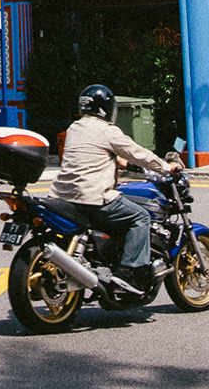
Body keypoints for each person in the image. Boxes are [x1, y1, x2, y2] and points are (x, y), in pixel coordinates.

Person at [50, 83, 180, 294]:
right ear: (105, 109)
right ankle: (129, 272)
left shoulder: (74, 128)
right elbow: (138, 153)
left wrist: (117, 161)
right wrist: (166, 167)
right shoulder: (107, 130)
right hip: (92, 197)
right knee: (141, 217)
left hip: (62, 197)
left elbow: (90, 154)